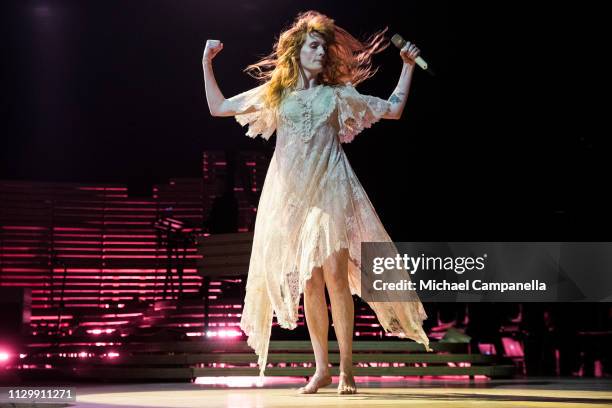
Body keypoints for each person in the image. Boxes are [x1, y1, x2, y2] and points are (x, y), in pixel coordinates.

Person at [203, 10, 430, 395]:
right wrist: (206, 63)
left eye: (324, 47)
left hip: (331, 190)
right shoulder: (276, 95)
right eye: (313, 45)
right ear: (297, 51)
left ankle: (346, 370)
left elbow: (392, 109)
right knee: (310, 283)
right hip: (294, 197)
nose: (320, 52)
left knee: (336, 279)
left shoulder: (337, 95)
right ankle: (321, 368)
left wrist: (407, 67)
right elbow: (219, 107)